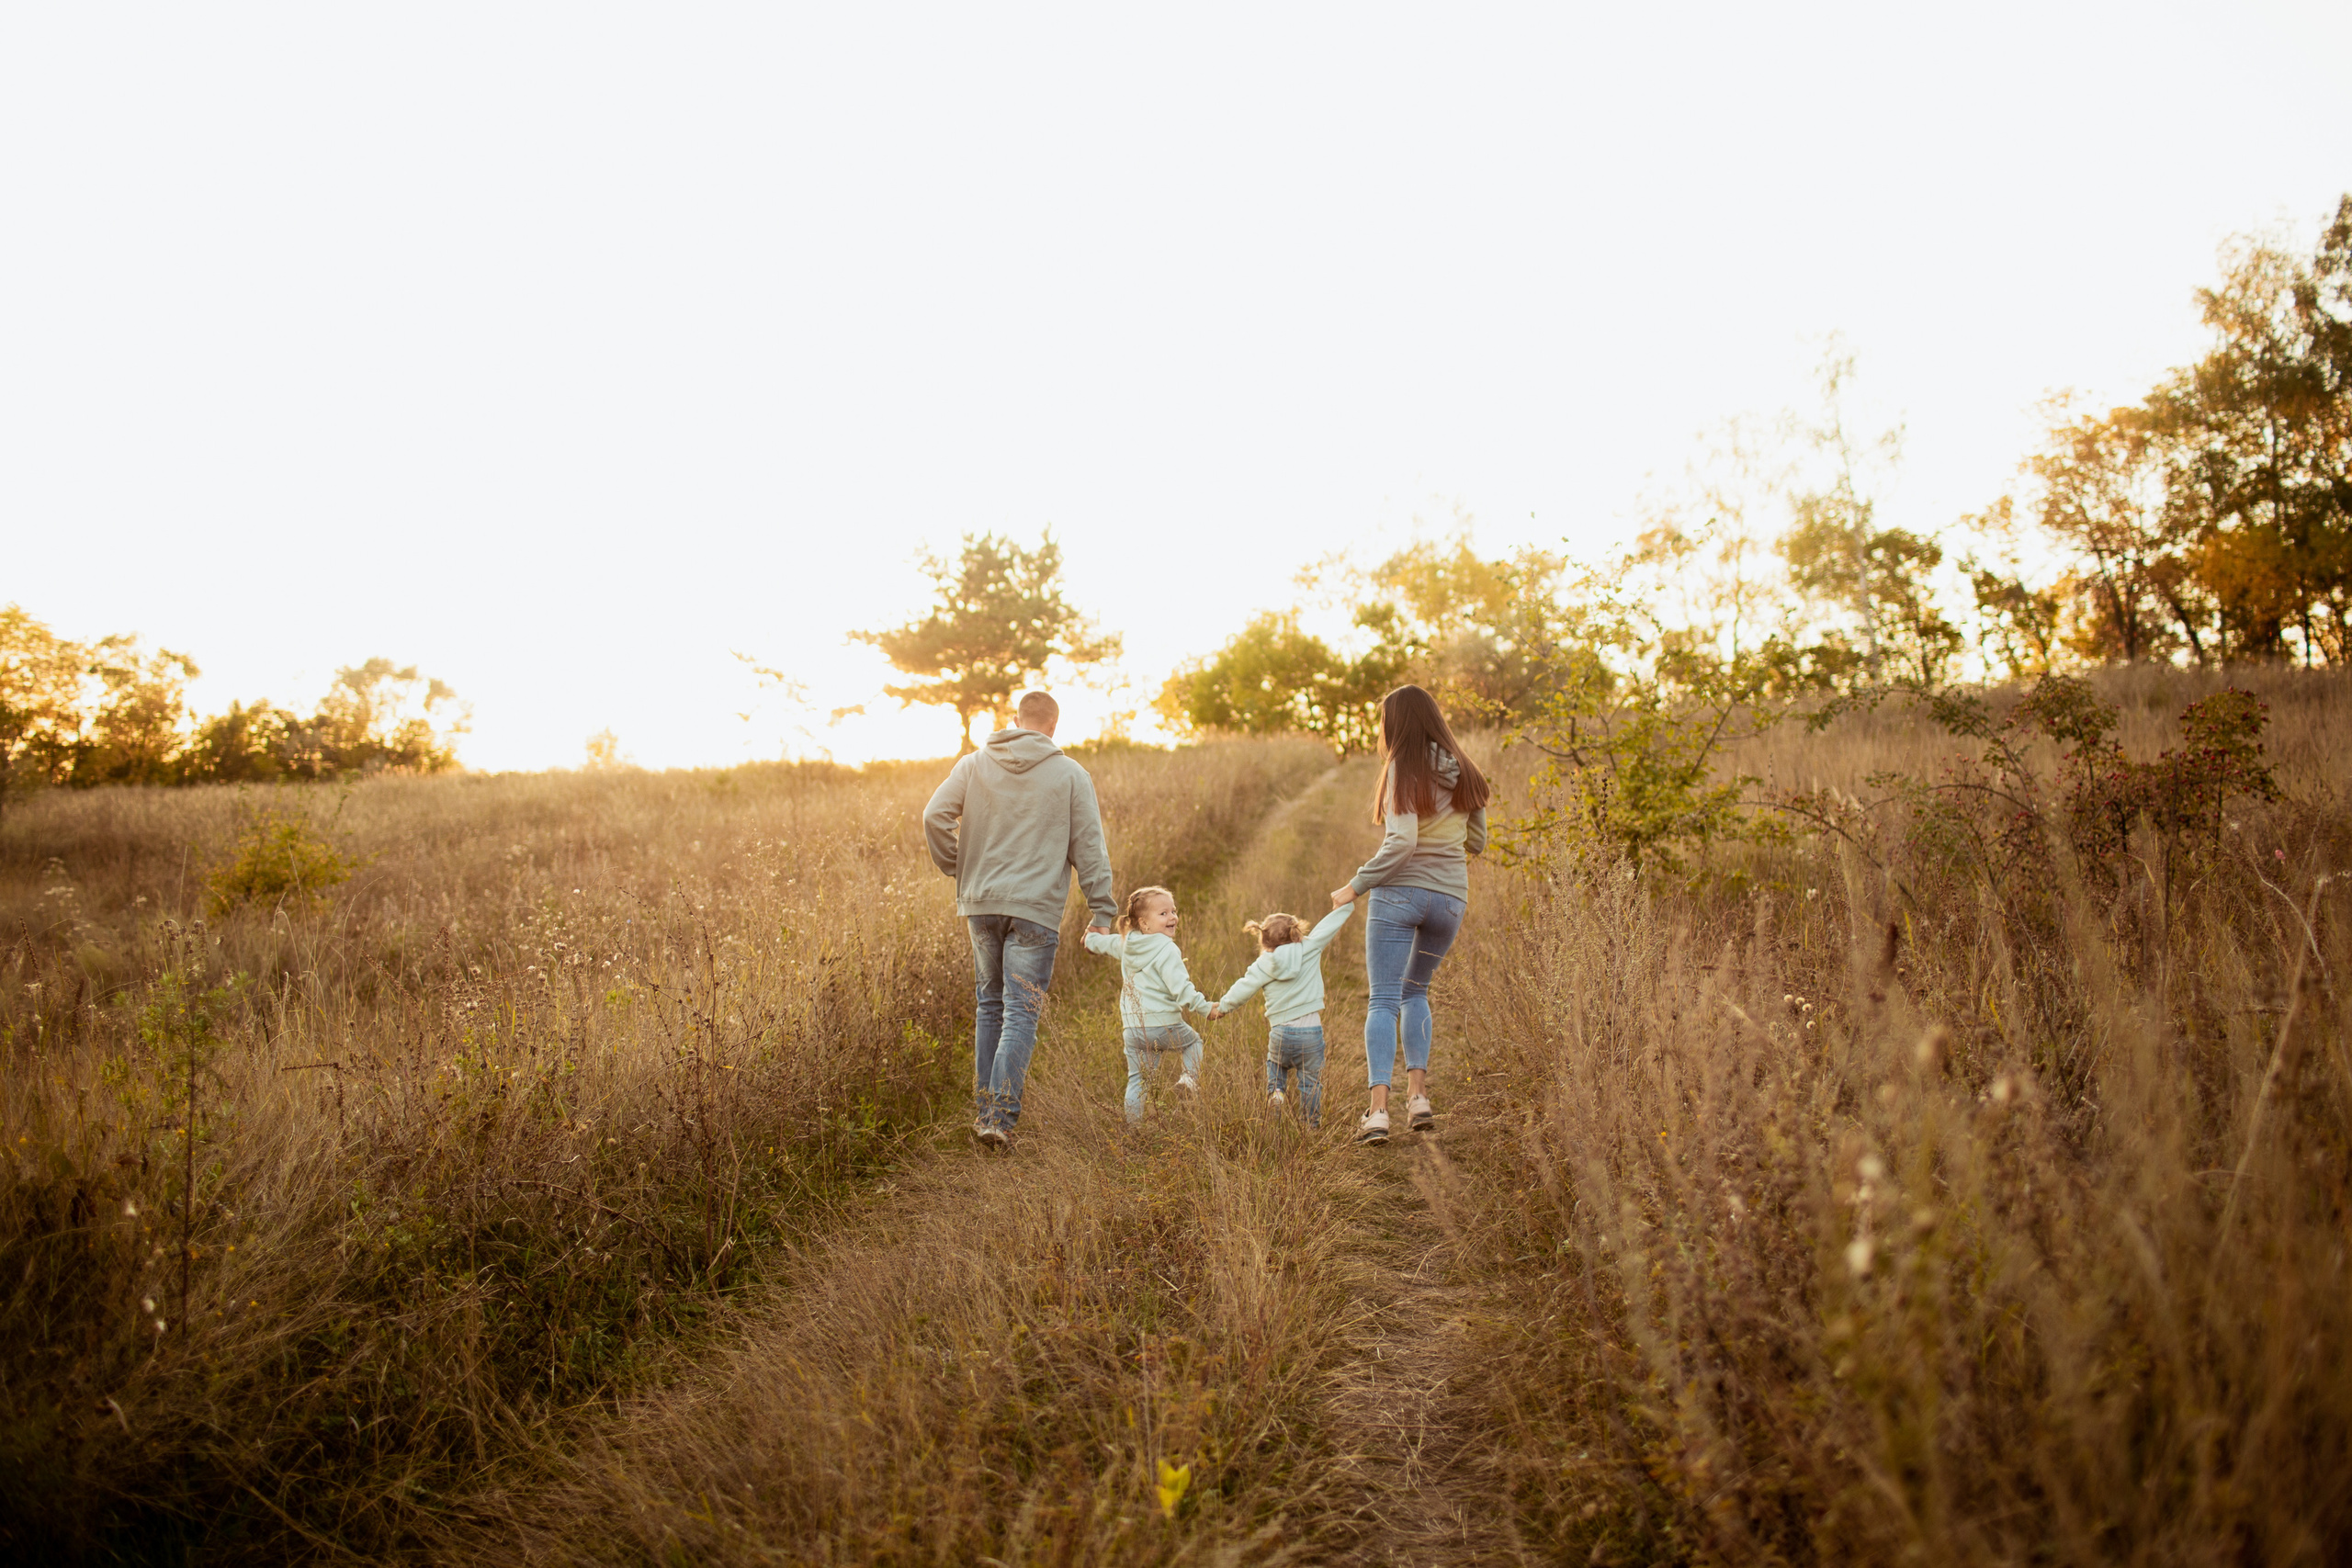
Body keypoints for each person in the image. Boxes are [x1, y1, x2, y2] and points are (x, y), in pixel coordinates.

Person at [923, 691, 1115, 1151]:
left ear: (1015, 719)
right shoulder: (1071, 774)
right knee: (1021, 1012)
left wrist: (959, 868)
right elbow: (1089, 846)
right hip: (1035, 909)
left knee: (990, 1005)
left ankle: (986, 1113)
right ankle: (998, 1120)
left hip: (981, 904)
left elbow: (934, 816)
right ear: (1053, 726)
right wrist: (1102, 911)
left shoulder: (973, 764)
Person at [1330, 684, 1490, 1146]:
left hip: (1399, 895)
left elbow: (1402, 842)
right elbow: (1477, 842)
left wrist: (1355, 885)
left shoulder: (1403, 766)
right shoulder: (1466, 769)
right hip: (1450, 899)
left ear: (1396, 724)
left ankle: (1378, 1112)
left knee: (1383, 999)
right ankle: (1418, 1099)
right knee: (1415, 991)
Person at [1208, 904, 1353, 1127]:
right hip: (1311, 1034)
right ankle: (1311, 1125)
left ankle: (1276, 1093)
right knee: (1311, 1082)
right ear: (1297, 933)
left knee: (1275, 1065)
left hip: (1281, 1033)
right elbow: (1328, 927)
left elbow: (1244, 987)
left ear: (1264, 939)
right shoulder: (1310, 948)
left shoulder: (1264, 963)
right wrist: (1345, 905)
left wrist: (1223, 1008)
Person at [1084, 885, 1214, 1122]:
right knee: (1193, 1042)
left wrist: (1090, 938)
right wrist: (1206, 1009)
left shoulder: (1127, 943)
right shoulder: (1167, 949)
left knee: (1138, 1079)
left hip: (1134, 1029)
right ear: (1144, 923)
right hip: (1165, 1025)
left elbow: (1102, 943)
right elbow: (1182, 989)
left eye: (1173, 911)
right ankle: (1188, 1080)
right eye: (1163, 913)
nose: (1172, 917)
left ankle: (1132, 1129)